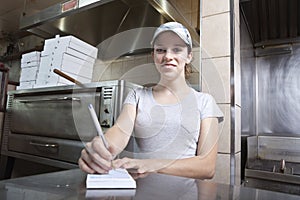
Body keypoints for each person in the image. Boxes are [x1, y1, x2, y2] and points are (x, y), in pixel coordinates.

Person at [78, 22, 223, 179]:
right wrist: (100, 148)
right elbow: (119, 131)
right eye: (161, 50)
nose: (168, 56)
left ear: (189, 56)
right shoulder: (137, 96)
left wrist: (151, 164)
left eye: (177, 49)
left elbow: (207, 167)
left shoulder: (205, 102)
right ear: (154, 56)